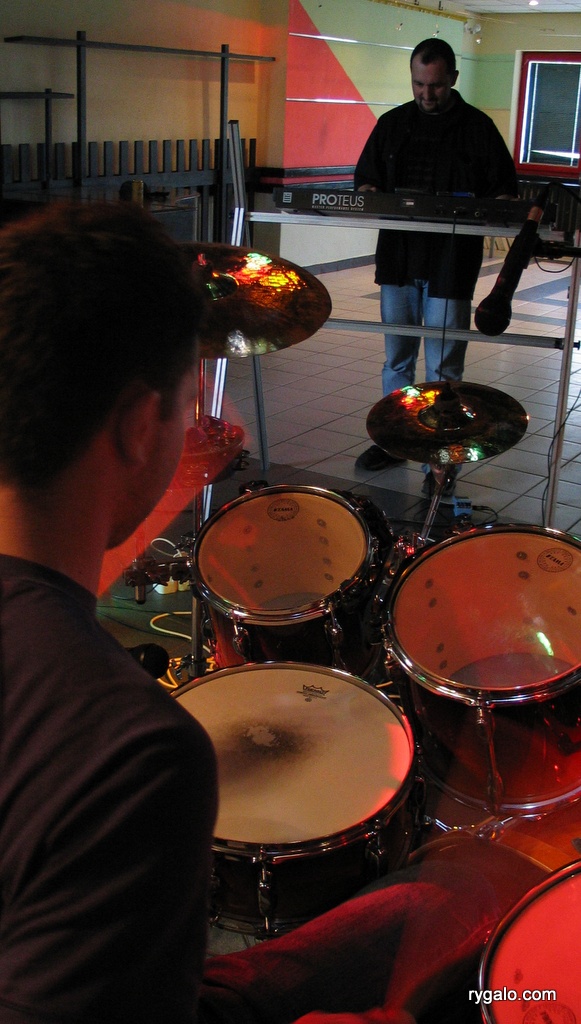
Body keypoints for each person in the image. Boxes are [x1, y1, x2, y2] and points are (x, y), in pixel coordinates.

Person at [0, 202, 546, 1024]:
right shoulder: (128, 753)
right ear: (142, 424)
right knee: (470, 895)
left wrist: (160, 487)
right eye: (183, 401)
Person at [354, 37, 518, 495]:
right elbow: (365, 179)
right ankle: (395, 440)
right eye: (419, 85)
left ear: (453, 79)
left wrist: (500, 204)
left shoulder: (479, 129)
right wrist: (368, 193)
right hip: (399, 258)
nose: (426, 94)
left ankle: (440, 461)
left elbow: (504, 191)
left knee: (444, 367)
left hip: (451, 263)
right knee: (397, 359)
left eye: (437, 86)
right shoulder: (392, 124)